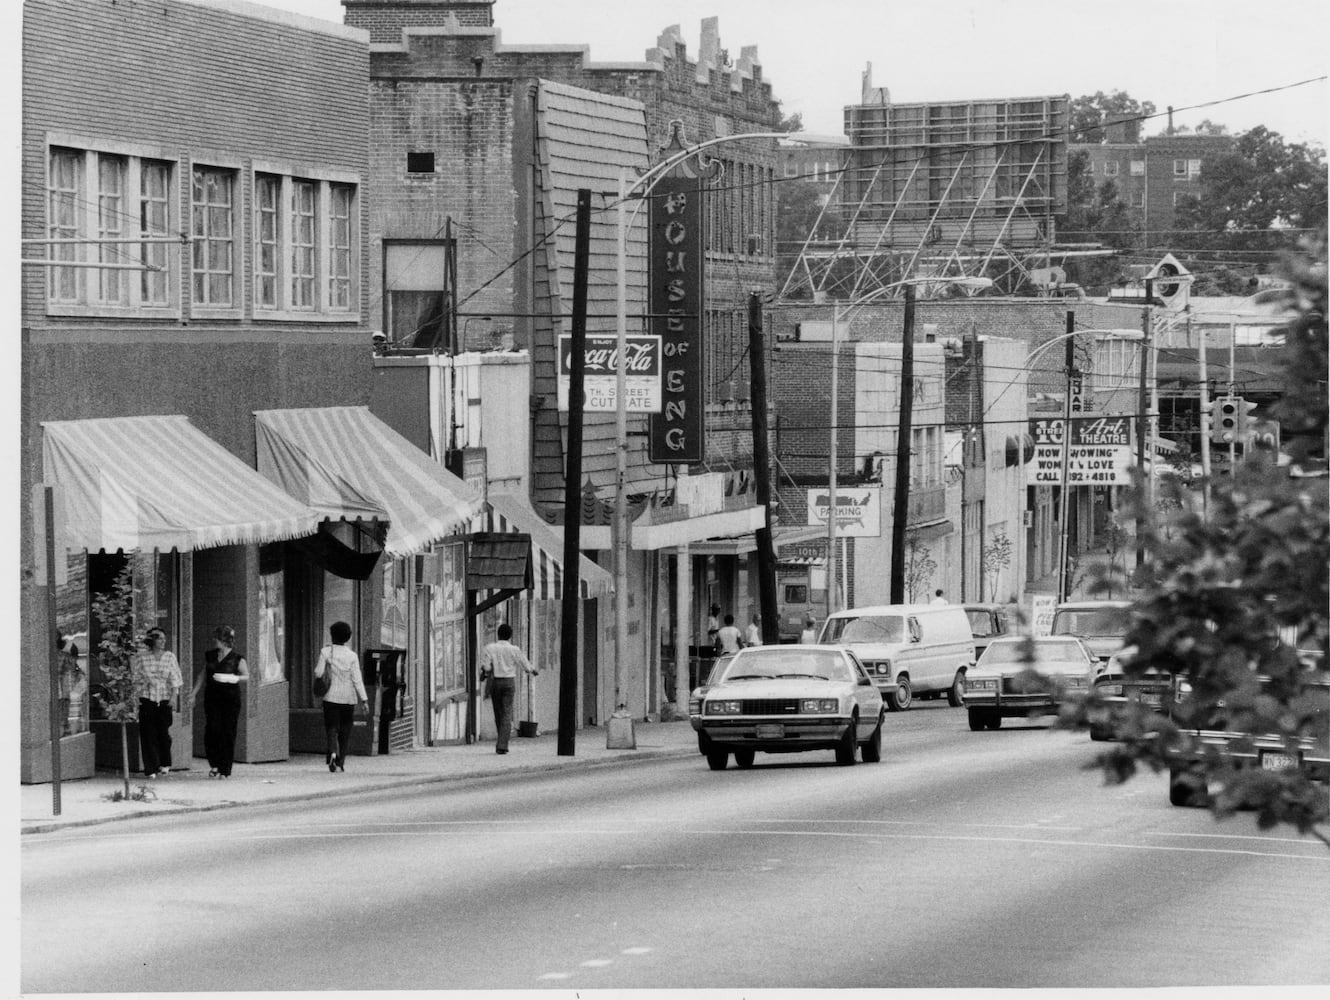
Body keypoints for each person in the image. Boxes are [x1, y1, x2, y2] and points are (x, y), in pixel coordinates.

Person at [191, 625, 248, 778]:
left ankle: (225, 769)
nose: (214, 641)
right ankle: (214, 763)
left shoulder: (237, 658)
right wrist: (194, 693)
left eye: (216, 638)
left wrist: (234, 678)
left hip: (230, 698)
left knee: (227, 732)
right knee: (212, 730)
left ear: (224, 640)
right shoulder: (210, 655)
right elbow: (203, 674)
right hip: (212, 697)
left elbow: (246, 676)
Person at [313, 621, 368, 773]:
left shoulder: (325, 652)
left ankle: (332, 751)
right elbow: (357, 679)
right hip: (348, 698)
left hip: (330, 696)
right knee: (345, 728)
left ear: (332, 635)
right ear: (348, 637)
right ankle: (341, 760)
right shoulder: (352, 656)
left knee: (331, 727)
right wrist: (364, 699)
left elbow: (318, 673)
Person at [479, 623, 539, 755]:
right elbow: (526, 666)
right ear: (510, 636)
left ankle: (501, 741)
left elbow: (487, 668)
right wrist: (533, 670)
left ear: (498, 634)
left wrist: (485, 671)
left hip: (495, 682)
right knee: (507, 713)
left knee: (498, 713)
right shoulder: (514, 649)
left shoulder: (490, 648)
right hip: (509, 682)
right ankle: (502, 744)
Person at [132, 626, 183, 779]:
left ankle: (165, 763)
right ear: (152, 640)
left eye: (164, 638)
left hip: (164, 697)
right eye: (159, 638)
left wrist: (174, 696)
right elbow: (136, 677)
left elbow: (175, 677)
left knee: (163, 732)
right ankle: (151, 768)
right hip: (147, 697)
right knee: (148, 733)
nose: (163, 641)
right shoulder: (143, 657)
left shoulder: (169, 656)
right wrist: (141, 688)